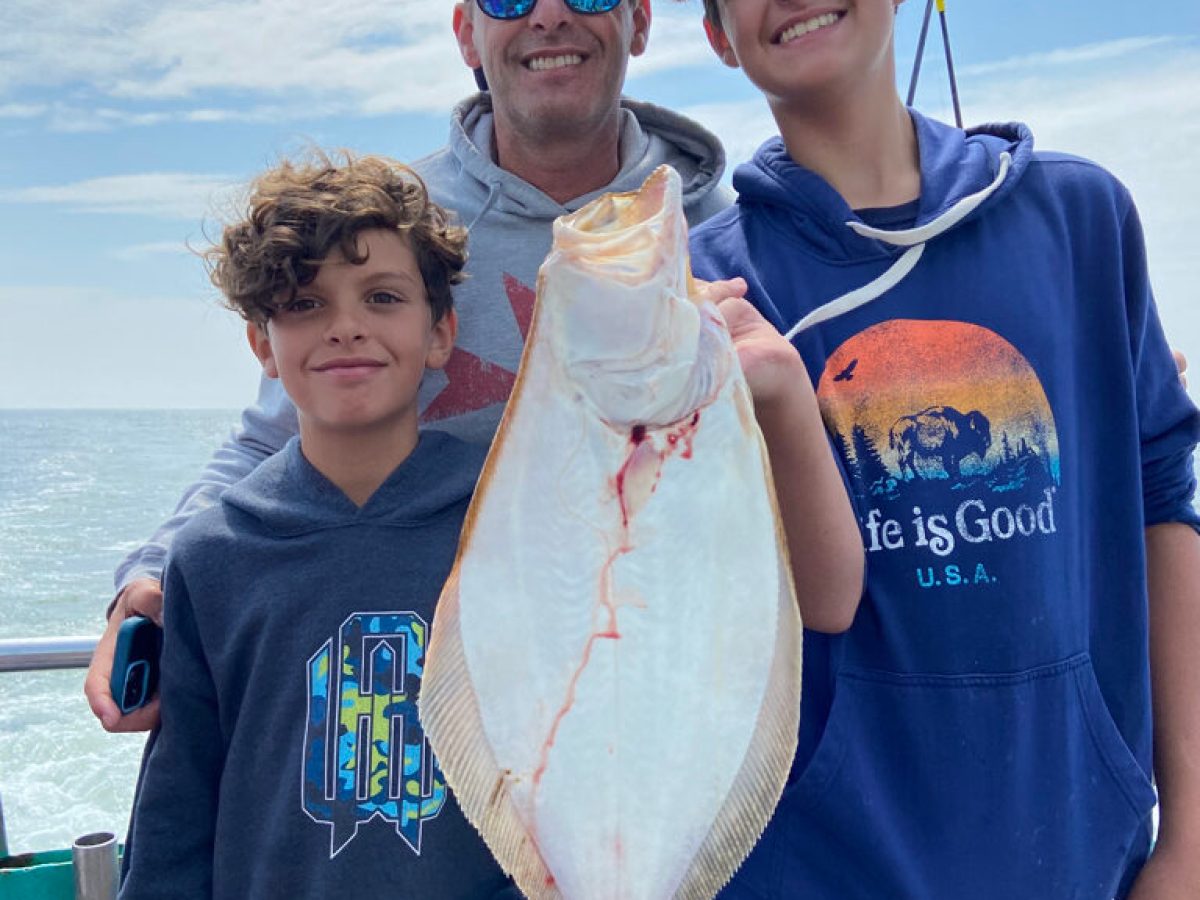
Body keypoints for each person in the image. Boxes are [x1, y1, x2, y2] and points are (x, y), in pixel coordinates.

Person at [85, 0, 738, 731]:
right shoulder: (391, 234)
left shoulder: (724, 232)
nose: (549, 17)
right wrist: (153, 575)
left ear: (641, 21)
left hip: (664, 675)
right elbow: (272, 442)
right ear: (467, 31)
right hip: (443, 695)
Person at [687, 1, 1200, 898]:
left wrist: (1190, 841)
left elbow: (1162, 503)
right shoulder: (708, 296)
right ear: (718, 37)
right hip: (813, 869)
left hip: (1086, 858)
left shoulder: (1082, 218)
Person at [119, 153, 515, 898]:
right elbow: (177, 811)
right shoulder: (211, 556)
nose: (346, 328)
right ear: (262, 345)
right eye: (304, 304)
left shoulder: (510, 530)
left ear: (441, 333)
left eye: (383, 297)